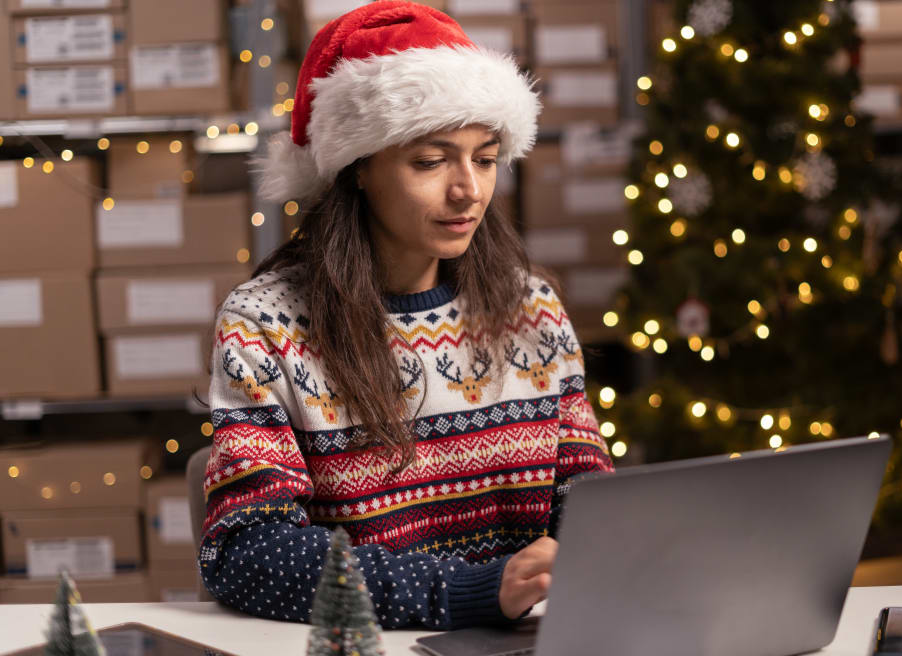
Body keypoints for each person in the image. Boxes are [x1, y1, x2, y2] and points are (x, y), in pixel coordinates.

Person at [198, 0, 614, 630]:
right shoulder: (265, 325)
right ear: (358, 168)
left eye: (485, 157)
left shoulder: (532, 309)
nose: (468, 190)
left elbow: (587, 501)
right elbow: (249, 552)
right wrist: (467, 591)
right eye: (430, 160)